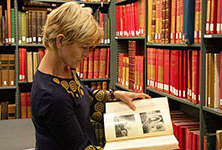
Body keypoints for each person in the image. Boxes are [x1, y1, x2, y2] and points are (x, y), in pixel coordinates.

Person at [30, 2, 150, 150]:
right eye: (83, 47)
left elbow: (81, 95)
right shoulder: (50, 96)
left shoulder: (64, 67)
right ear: (60, 41)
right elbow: (81, 147)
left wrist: (114, 95)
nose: (87, 54)